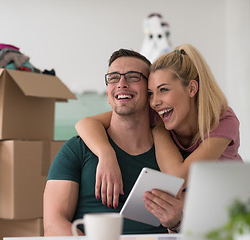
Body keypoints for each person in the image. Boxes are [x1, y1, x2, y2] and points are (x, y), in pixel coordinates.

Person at [75, 43, 242, 212]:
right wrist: (106, 155)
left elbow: (176, 178)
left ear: (192, 88)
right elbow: (85, 123)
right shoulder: (158, 112)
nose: (154, 102)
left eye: (163, 90)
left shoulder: (222, 119)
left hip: (232, 201)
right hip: (196, 207)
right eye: (151, 93)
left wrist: (159, 129)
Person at [43, 49, 183, 236]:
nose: (121, 84)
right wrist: (106, 153)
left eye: (133, 77)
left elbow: (197, 228)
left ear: (150, 91)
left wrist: (176, 223)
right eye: (113, 77)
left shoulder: (175, 155)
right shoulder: (76, 150)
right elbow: (53, 224)